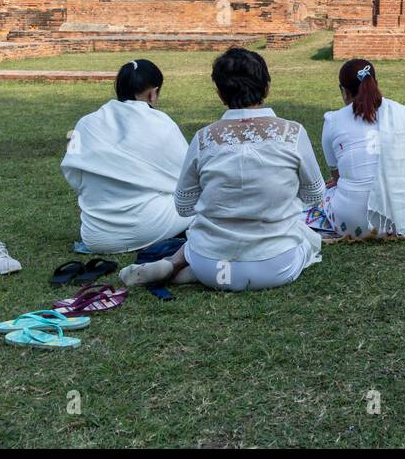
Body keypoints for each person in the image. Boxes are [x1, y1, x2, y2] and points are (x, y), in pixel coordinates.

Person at [119, 47, 326, 291]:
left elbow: (184, 206)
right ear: (267, 88)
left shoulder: (204, 138)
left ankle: (173, 265)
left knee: (206, 233)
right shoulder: (291, 133)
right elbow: (315, 196)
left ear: (220, 93)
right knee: (309, 236)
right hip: (275, 266)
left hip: (212, 265)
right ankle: (188, 268)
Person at [61, 59, 190, 254]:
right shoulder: (162, 124)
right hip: (149, 226)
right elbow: (188, 177)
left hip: (97, 237)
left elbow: (74, 176)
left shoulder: (85, 124)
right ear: (153, 93)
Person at [309, 58, 405, 240]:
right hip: (400, 218)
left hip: (351, 223)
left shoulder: (333, 120)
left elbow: (337, 177)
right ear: (376, 84)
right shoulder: (403, 112)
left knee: (324, 193)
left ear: (343, 91)